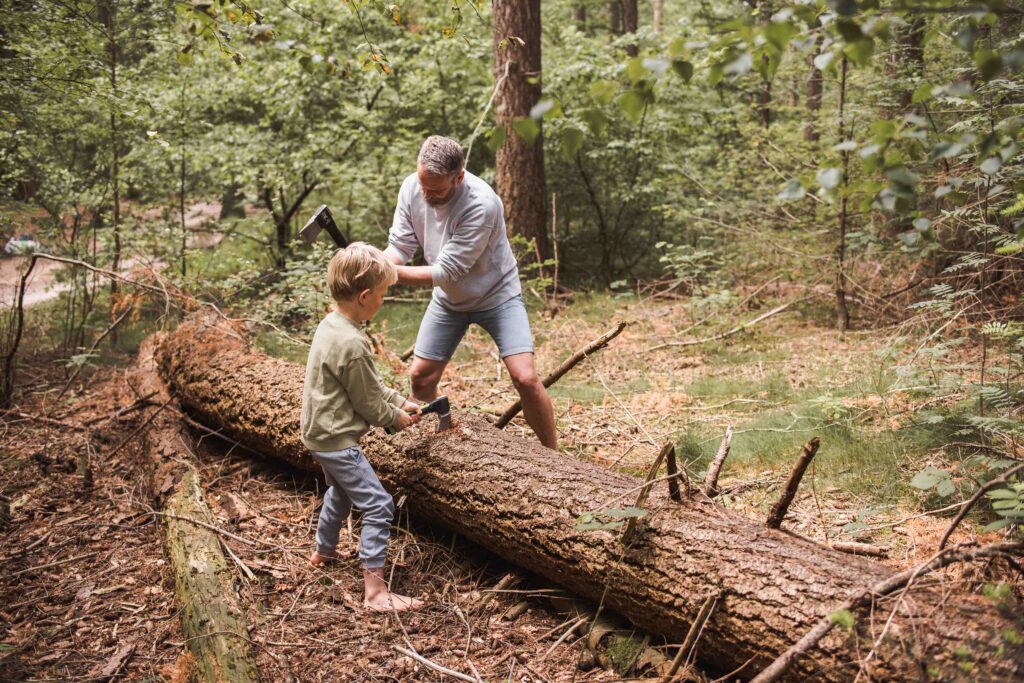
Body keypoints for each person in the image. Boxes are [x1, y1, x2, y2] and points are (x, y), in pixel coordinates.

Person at [384, 135, 558, 449]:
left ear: (458, 177)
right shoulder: (413, 186)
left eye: (435, 190)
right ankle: (436, 446)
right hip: (449, 300)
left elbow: (444, 271)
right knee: (420, 378)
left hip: (496, 295)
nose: (426, 194)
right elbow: (400, 245)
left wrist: (384, 273)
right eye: (423, 185)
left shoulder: (482, 204)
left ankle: (555, 456)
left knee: (525, 378)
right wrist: (378, 262)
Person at [299, 242, 424, 612]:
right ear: (366, 296)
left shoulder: (333, 323)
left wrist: (400, 400)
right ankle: (375, 592)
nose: (384, 300)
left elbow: (367, 384)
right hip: (336, 439)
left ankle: (323, 551)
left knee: (339, 491)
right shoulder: (353, 343)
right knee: (378, 504)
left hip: (319, 433)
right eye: (383, 294)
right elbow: (368, 403)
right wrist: (395, 419)